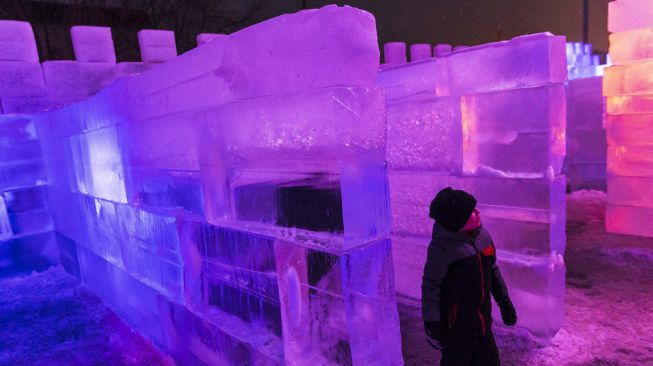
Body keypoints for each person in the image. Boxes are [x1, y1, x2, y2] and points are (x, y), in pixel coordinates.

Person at [421, 187, 517, 366]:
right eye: (471, 211)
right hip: (456, 327)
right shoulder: (442, 249)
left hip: (482, 324)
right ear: (456, 221)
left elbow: (493, 270)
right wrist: (431, 321)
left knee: (489, 360)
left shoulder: (483, 236)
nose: (478, 212)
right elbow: (431, 285)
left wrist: (504, 301)